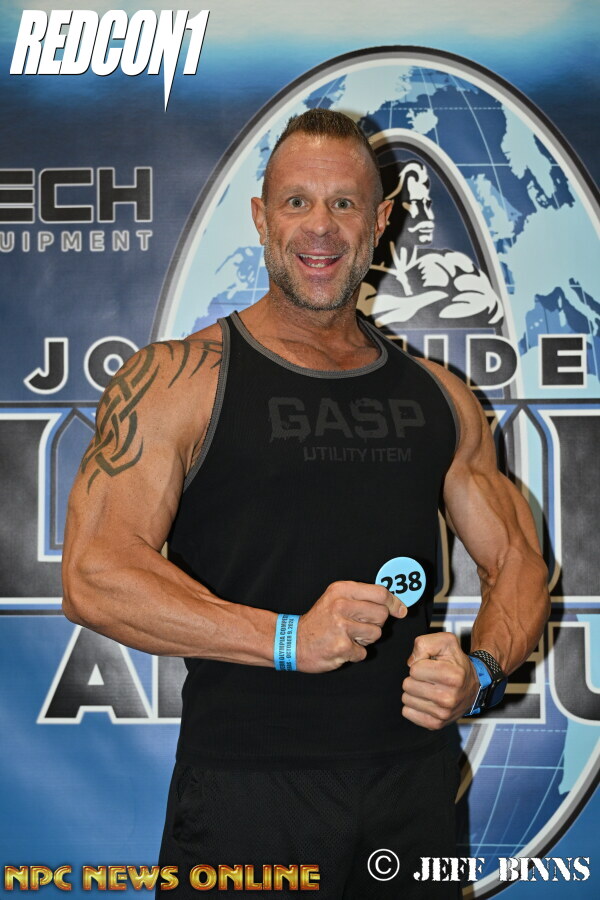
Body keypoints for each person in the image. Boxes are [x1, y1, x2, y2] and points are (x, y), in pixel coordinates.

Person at [62, 109, 549, 898]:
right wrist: (288, 638)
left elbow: (519, 562)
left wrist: (483, 672)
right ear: (261, 217)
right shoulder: (179, 379)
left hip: (413, 795)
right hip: (248, 796)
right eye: (297, 202)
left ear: (379, 223)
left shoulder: (440, 397)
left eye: (344, 203)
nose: (320, 227)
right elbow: (95, 576)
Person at [358, 158, 504, 327]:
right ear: (385, 214)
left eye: (426, 205)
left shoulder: (452, 265)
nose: (427, 215)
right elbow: (367, 312)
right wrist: (443, 296)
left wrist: (413, 305)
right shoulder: (356, 273)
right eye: (413, 204)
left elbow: (490, 308)